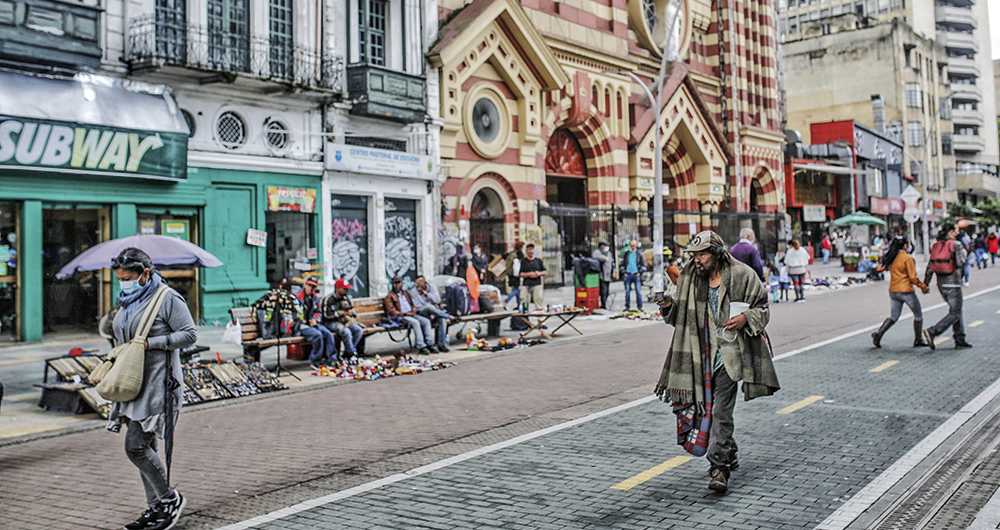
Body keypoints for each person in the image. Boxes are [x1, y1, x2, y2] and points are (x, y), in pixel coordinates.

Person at [654, 231, 779, 493]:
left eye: (702, 254)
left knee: (721, 413)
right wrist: (667, 305)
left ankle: (719, 468)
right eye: (694, 255)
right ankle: (728, 452)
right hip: (699, 357)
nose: (697, 260)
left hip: (729, 357)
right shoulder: (689, 275)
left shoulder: (743, 274)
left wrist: (746, 318)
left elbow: (763, 307)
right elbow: (679, 316)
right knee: (705, 413)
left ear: (718, 254)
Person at [109, 248, 196, 530]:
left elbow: (190, 334)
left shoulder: (167, 298)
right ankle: (155, 509)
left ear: (146, 274)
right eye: (120, 278)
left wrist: (151, 343)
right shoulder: (126, 301)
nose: (124, 282)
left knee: (135, 447)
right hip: (135, 382)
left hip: (160, 384)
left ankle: (170, 499)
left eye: (128, 277)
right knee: (147, 447)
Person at [871, 236, 930, 348]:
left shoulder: (892, 257)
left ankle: (879, 333)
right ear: (905, 246)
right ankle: (918, 339)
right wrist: (923, 286)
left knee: (893, 316)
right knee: (918, 315)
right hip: (906, 291)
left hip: (893, 290)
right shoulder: (908, 258)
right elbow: (912, 277)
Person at [923, 223, 972, 349]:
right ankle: (933, 331)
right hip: (953, 284)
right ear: (950, 232)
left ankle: (959, 339)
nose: (957, 233)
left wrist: (926, 283)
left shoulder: (935, 245)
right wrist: (964, 254)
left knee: (955, 311)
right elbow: (960, 263)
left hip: (941, 284)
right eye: (955, 231)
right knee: (955, 313)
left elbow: (930, 266)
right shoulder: (956, 244)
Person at [384, 276, 436, 354]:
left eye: (399, 282)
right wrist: (406, 314)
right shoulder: (389, 297)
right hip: (401, 317)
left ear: (402, 283)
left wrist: (414, 309)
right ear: (392, 284)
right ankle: (421, 345)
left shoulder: (405, 293)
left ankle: (430, 344)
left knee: (426, 321)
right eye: (395, 283)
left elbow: (412, 304)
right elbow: (392, 312)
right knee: (416, 323)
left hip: (411, 314)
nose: (397, 285)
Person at [296, 278, 338, 367]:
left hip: (313, 323)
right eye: (309, 285)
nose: (310, 288)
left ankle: (332, 361)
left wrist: (315, 320)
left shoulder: (315, 298)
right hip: (301, 325)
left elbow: (318, 312)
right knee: (317, 335)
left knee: (328, 334)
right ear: (305, 285)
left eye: (313, 286)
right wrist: (303, 320)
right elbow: (294, 314)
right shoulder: (297, 297)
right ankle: (315, 362)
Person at [323, 278, 365, 365]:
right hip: (331, 323)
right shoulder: (329, 299)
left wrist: (351, 312)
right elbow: (326, 315)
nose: (347, 290)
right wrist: (340, 313)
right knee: (346, 332)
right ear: (338, 288)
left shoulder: (346, 298)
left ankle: (346, 353)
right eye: (345, 289)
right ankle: (352, 353)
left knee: (359, 330)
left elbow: (352, 310)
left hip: (345, 322)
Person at [409, 275, 452, 352]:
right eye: (416, 284)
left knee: (442, 320)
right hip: (423, 312)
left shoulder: (432, 287)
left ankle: (441, 344)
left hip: (435, 312)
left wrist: (426, 294)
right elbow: (418, 306)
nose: (417, 286)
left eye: (419, 283)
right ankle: (448, 316)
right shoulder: (414, 292)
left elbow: (437, 300)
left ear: (425, 283)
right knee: (429, 307)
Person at [619, 239, 646, 311]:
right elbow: (621, 264)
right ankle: (627, 306)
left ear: (636, 246)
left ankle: (639, 306)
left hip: (636, 275)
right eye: (631, 246)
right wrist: (624, 272)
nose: (633, 247)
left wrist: (639, 272)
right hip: (627, 275)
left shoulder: (639, 254)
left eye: (634, 246)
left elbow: (644, 265)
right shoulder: (626, 253)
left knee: (638, 292)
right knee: (627, 291)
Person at [519, 243, 547, 310]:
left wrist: (539, 273)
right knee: (524, 302)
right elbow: (520, 274)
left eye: (532, 249)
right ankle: (524, 318)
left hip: (537, 283)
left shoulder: (538, 261)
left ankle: (540, 319)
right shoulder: (523, 261)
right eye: (529, 250)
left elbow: (545, 272)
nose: (531, 251)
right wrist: (528, 274)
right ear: (526, 251)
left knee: (538, 301)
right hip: (526, 284)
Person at [592, 240, 615, 309]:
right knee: (603, 291)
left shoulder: (609, 254)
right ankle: (603, 304)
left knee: (607, 291)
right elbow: (594, 256)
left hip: (608, 275)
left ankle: (604, 302)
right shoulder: (597, 253)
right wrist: (604, 258)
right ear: (602, 247)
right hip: (602, 276)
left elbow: (612, 263)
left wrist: (614, 271)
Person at [503, 241, 524, 311]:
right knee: (516, 289)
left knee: (517, 290)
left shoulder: (511, 253)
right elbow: (516, 266)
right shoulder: (517, 255)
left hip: (510, 274)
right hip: (515, 275)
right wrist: (518, 275)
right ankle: (506, 300)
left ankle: (519, 305)